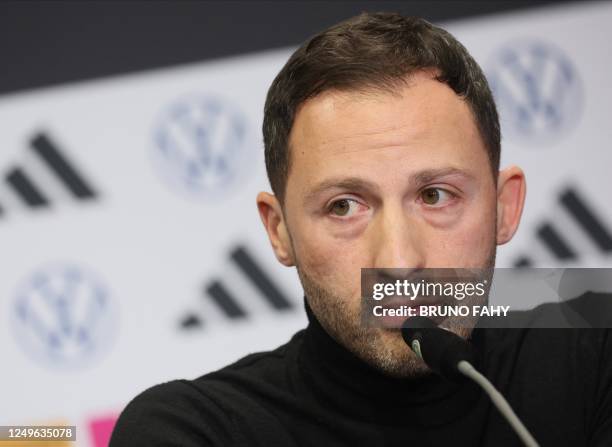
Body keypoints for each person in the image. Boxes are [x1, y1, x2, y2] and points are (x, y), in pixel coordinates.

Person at [109, 12, 612, 446]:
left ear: (505, 207)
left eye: (435, 196)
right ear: (279, 231)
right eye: (345, 206)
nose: (397, 260)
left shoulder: (593, 353)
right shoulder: (198, 430)